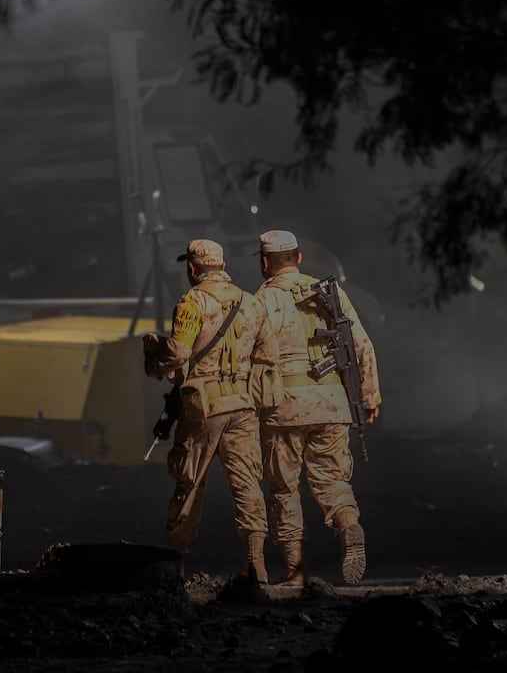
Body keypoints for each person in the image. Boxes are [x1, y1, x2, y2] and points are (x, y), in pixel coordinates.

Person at [142, 239, 281, 582]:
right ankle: (256, 566)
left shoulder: (192, 302)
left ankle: (174, 568)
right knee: (247, 482)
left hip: (202, 409)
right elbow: (268, 359)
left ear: (192, 268)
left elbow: (178, 354)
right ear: (220, 265)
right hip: (243, 407)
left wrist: (153, 356)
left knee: (189, 483)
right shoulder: (252, 304)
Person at [253, 229, 382, 585]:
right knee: (332, 479)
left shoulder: (261, 300)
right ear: (298, 258)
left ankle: (295, 572)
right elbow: (361, 344)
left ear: (266, 263)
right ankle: (348, 524)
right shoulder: (329, 292)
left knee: (284, 488)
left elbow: (251, 357)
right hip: (331, 402)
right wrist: (369, 395)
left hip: (284, 407)